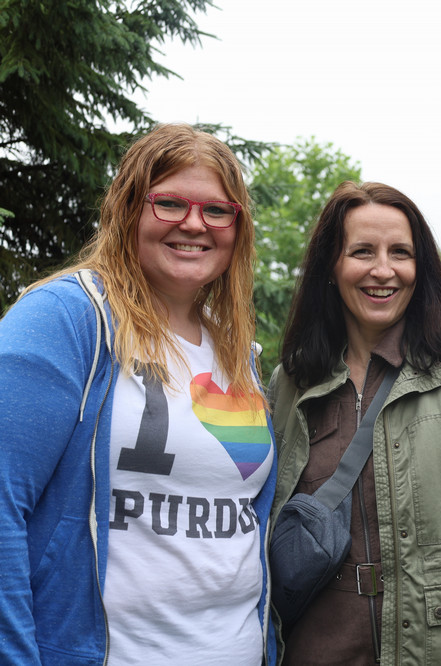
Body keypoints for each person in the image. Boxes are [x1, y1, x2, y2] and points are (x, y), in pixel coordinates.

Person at [0, 123, 277, 664]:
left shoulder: (238, 352)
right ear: (129, 209)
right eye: (169, 203)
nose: (194, 223)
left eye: (217, 210)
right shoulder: (67, 318)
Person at [268, 181, 441, 665]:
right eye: (362, 251)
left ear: (419, 267)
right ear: (332, 266)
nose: (383, 270)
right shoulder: (291, 382)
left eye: (401, 253)